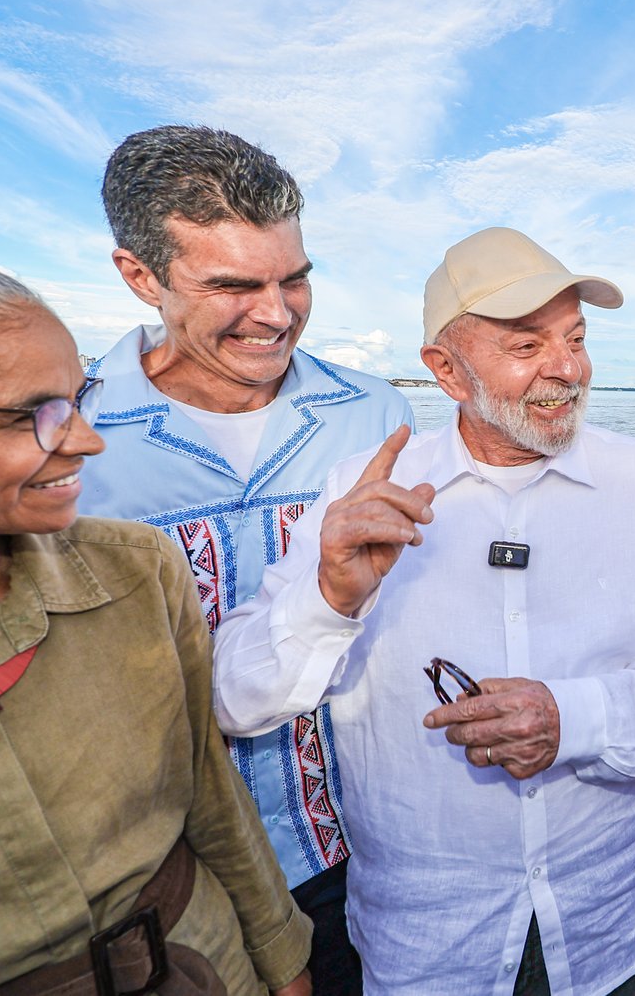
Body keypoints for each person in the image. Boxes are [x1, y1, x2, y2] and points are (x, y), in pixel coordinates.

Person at [213, 226, 635, 994]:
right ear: (446, 372)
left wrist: (574, 718)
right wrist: (331, 598)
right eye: (527, 346)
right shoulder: (361, 494)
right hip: (429, 944)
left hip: (612, 929)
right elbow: (234, 698)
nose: (567, 369)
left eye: (576, 337)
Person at [0, 247, 311, 994]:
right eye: (24, 416)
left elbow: (212, 795)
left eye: (78, 397)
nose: (84, 439)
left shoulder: (138, 571)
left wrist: (284, 969)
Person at [80, 124, 413, 992]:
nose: (276, 313)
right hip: (162, 884)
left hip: (364, 856)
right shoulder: (67, 440)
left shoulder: (375, 414)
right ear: (139, 275)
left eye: (294, 278)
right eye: (233, 284)